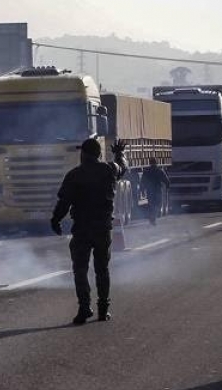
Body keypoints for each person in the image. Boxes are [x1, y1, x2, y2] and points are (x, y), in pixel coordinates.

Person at [50, 138, 128, 325]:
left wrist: (55, 220)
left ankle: (84, 308)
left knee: (80, 270)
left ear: (83, 154)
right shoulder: (109, 170)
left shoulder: (74, 175)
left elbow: (64, 203)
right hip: (102, 229)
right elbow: (122, 166)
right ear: (99, 154)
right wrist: (119, 153)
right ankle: (103, 309)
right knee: (102, 269)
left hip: (82, 230)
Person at [141, 157, 171, 226]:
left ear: (150, 163)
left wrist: (142, 190)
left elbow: (142, 182)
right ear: (156, 162)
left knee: (151, 205)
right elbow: (166, 180)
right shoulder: (159, 170)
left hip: (150, 191)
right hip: (157, 191)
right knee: (157, 205)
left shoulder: (146, 171)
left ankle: (151, 218)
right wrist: (167, 186)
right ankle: (153, 218)